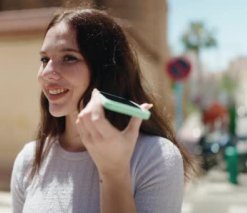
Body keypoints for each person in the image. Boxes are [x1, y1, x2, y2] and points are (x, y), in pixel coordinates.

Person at [11, 7, 196, 213]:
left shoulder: (155, 157)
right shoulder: (29, 159)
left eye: (69, 58)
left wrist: (114, 172)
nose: (47, 73)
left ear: (106, 70)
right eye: (44, 59)